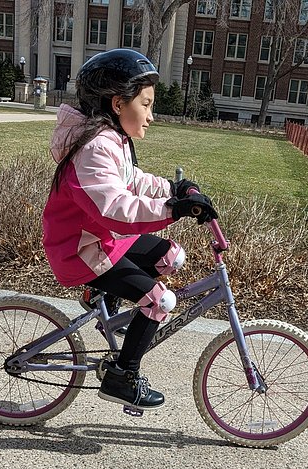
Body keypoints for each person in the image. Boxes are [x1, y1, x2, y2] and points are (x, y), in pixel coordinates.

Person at [42, 49, 218, 412]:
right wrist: (174, 210)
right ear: (119, 103)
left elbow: (131, 181)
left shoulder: (109, 138)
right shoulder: (93, 147)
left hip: (99, 240)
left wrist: (174, 189)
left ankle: (102, 298)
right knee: (159, 301)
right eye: (147, 104)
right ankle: (122, 376)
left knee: (172, 256)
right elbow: (116, 210)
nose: (152, 116)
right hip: (80, 250)